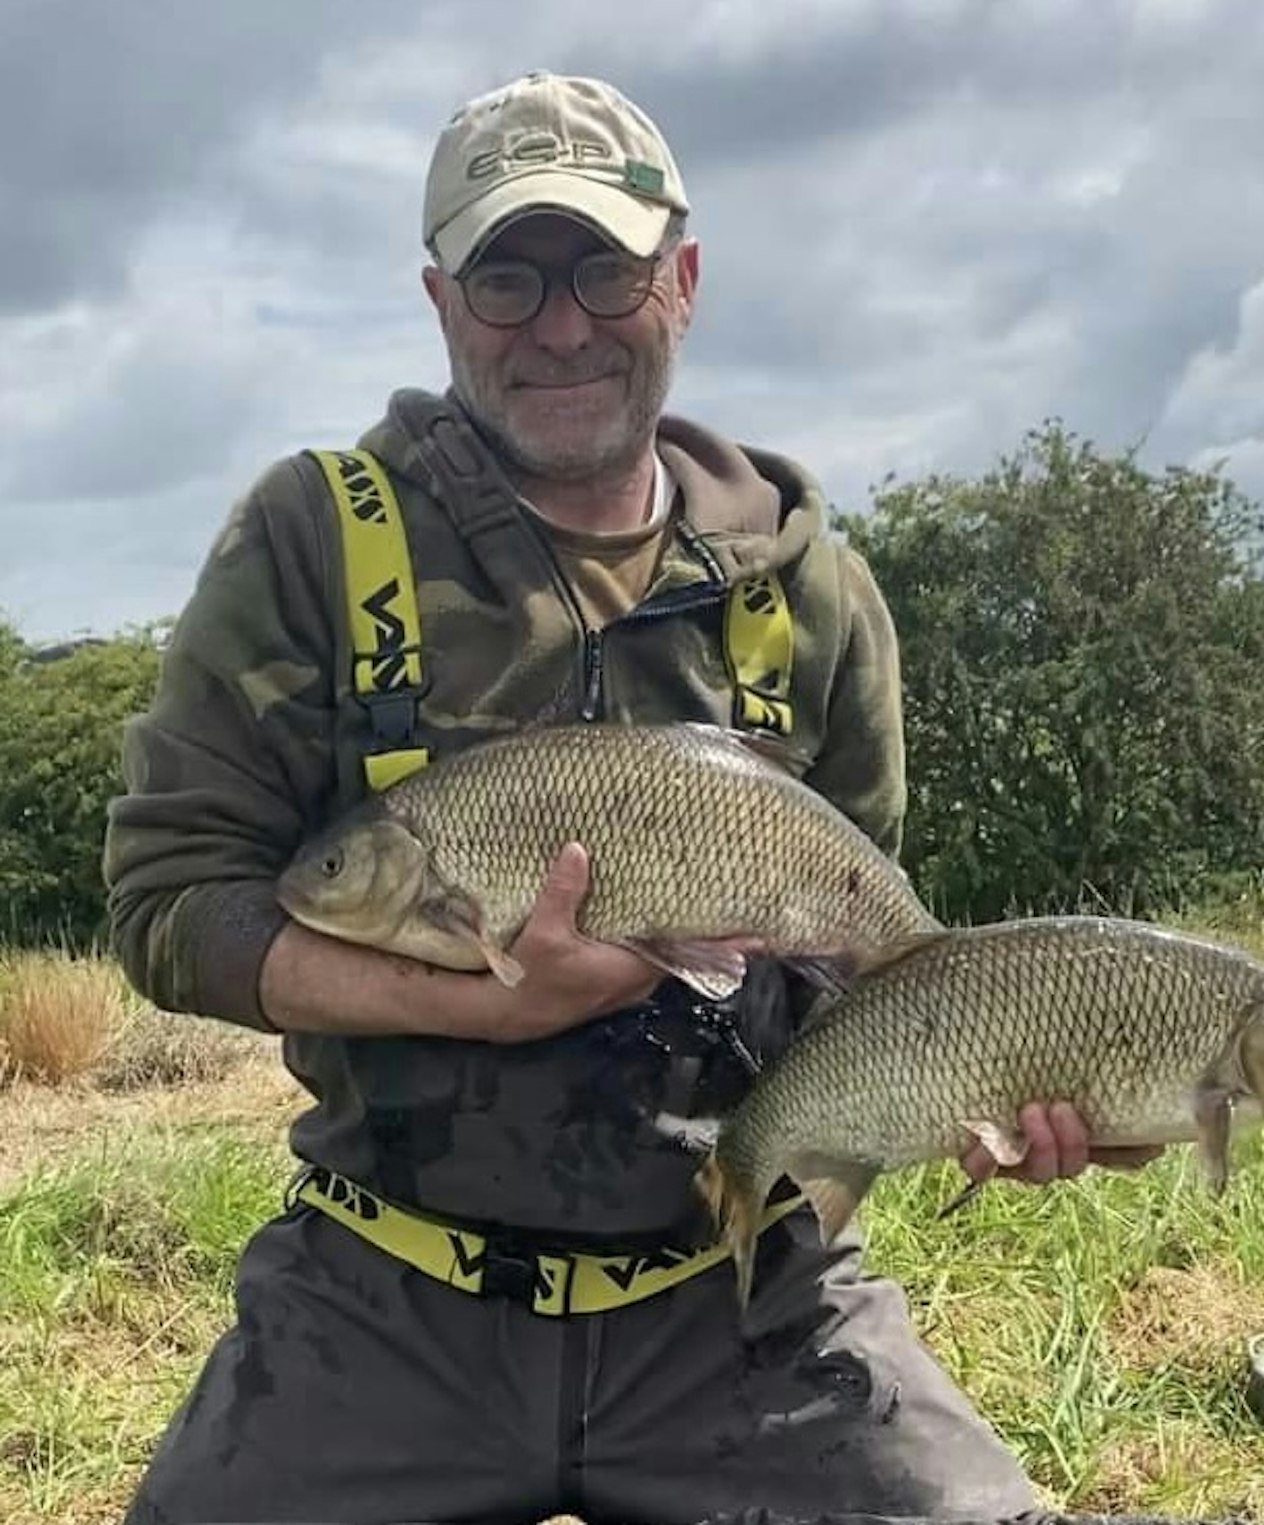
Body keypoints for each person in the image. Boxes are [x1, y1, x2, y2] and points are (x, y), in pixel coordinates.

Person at [104, 70, 1159, 1525]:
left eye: (605, 266)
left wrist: (1002, 1078)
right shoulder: (314, 543)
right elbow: (170, 903)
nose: (561, 323)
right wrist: (479, 1005)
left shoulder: (812, 596)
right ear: (439, 299)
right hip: (386, 1291)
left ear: (684, 278)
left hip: (733, 1293)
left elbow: (864, 989)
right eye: (509, 276)